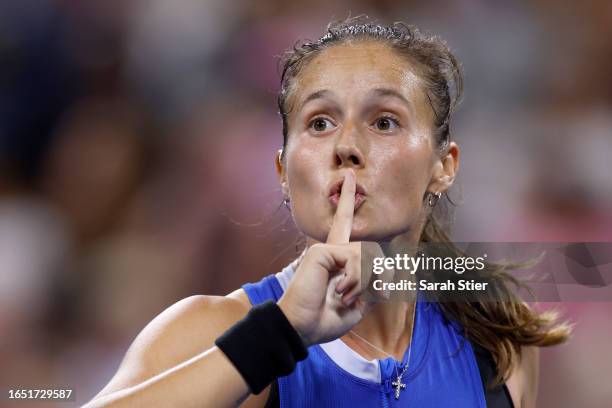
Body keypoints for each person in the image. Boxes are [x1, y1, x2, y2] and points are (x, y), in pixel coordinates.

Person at [84, 17, 570, 408]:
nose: (347, 147)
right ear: (282, 171)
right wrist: (281, 332)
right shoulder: (211, 330)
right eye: (319, 123)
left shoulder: (500, 341)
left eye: (384, 121)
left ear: (444, 166)